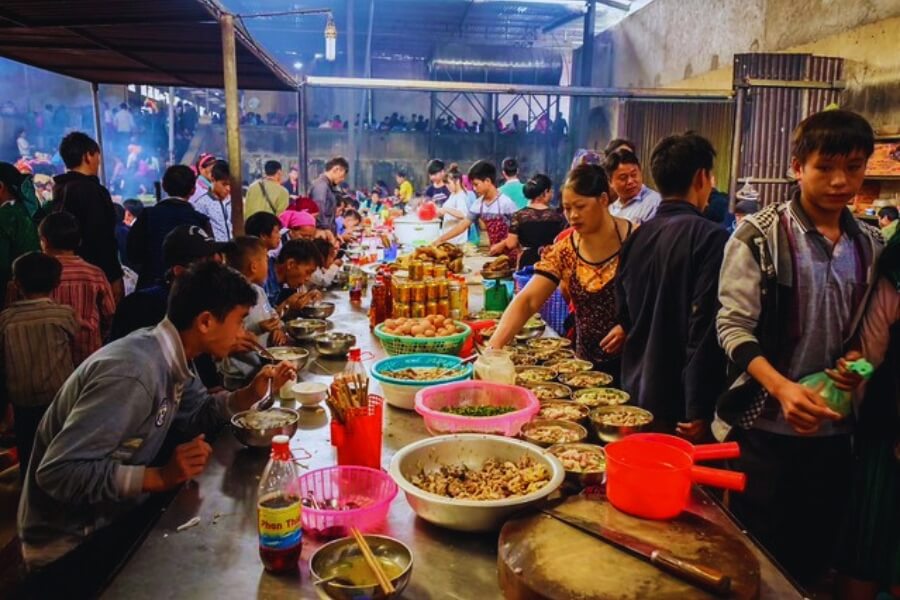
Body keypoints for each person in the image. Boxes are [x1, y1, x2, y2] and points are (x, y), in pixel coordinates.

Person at [17, 261, 295, 598]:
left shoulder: (172, 355)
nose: (242, 333)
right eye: (239, 321)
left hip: (109, 516)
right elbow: (58, 472)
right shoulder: (135, 371)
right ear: (205, 322)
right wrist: (158, 477)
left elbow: (198, 414)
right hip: (68, 543)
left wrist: (247, 395)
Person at [715, 109, 883, 586]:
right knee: (757, 558)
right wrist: (782, 388)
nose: (840, 181)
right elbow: (732, 329)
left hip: (833, 434)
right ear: (797, 167)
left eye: (853, 167)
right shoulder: (758, 236)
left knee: (812, 557)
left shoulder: (870, 244)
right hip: (763, 428)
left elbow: (864, 337)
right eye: (824, 167)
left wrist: (857, 365)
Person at [615, 133, 729, 439]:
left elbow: (623, 312)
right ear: (701, 177)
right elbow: (703, 325)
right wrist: (698, 404)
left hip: (636, 389)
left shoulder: (637, 236)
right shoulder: (711, 237)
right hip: (678, 400)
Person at [489, 164, 633, 378]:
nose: (573, 215)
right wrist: (493, 349)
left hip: (633, 364)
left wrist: (628, 325)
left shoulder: (636, 240)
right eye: (567, 208)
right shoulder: (565, 250)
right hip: (585, 369)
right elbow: (528, 300)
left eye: (580, 206)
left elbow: (658, 298)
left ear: (603, 200)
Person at [835, 233, 900, 599]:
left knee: (867, 549)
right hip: (886, 439)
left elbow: (869, 359)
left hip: (883, 439)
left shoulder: (892, 269)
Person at [0, 252, 76, 481]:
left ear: (16, 283)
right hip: (58, 395)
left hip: (22, 399)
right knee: (59, 444)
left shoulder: (6, 319)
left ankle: (29, 488)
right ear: (57, 283)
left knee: (27, 447)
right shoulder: (64, 315)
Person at [52, 132, 124, 301]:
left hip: (64, 274)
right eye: (97, 155)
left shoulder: (60, 188)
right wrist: (113, 276)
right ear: (88, 156)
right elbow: (102, 238)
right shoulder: (91, 191)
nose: (99, 161)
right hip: (93, 276)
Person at [39, 212, 115, 366]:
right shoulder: (94, 273)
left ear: (44, 242)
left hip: (48, 356)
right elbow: (110, 314)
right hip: (88, 354)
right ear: (79, 241)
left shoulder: (36, 274)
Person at [127, 165, 211, 289]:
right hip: (191, 290)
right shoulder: (200, 220)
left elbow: (133, 254)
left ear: (164, 186)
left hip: (151, 287)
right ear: (193, 190)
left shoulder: (148, 216)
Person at [219, 237, 288, 388]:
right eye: (266, 260)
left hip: (262, 365)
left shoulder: (259, 291)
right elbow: (229, 335)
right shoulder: (229, 296)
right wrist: (259, 328)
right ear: (254, 267)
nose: (268, 266)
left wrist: (277, 328)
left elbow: (271, 313)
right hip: (241, 375)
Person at [434, 161, 517, 253]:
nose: (474, 188)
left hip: (510, 253)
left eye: (476, 184)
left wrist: (502, 245)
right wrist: (441, 239)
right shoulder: (478, 204)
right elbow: (462, 225)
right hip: (494, 252)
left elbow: (517, 232)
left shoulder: (506, 203)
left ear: (487, 181)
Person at [490, 173, 567, 270]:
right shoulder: (558, 216)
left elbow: (511, 244)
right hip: (550, 261)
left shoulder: (519, 215)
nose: (552, 193)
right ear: (545, 192)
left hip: (527, 262)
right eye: (551, 191)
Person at [0, 163, 40, 304]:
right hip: (37, 290)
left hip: (10, 296)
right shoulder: (31, 210)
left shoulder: (5, 217)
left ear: (0, 187)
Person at [603, 150, 662, 226]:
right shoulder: (610, 210)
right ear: (610, 182)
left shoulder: (655, 203)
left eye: (634, 175)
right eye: (623, 178)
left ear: (640, 171)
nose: (630, 181)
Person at [271, 239, 324, 312]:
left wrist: (307, 297)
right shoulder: (264, 280)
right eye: (308, 272)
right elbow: (264, 318)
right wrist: (287, 305)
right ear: (291, 264)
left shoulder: (281, 283)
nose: (308, 278)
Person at [245, 212, 283, 306]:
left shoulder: (270, 261)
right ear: (263, 235)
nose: (280, 236)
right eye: (276, 232)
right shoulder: (254, 263)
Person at [191, 159, 232, 242]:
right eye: (224, 184)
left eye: (230, 184)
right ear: (213, 180)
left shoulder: (233, 201)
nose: (228, 188)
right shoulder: (202, 204)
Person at [311, 156, 349, 234]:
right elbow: (320, 215)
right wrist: (327, 234)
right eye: (342, 176)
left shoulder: (328, 186)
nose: (342, 179)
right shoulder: (321, 186)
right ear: (336, 169)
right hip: (323, 235)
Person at [437, 168, 470, 246]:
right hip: (450, 239)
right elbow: (450, 213)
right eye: (446, 184)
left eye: (449, 183)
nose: (447, 186)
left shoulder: (461, 196)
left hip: (457, 241)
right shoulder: (453, 194)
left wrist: (446, 209)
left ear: (457, 181)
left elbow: (462, 214)